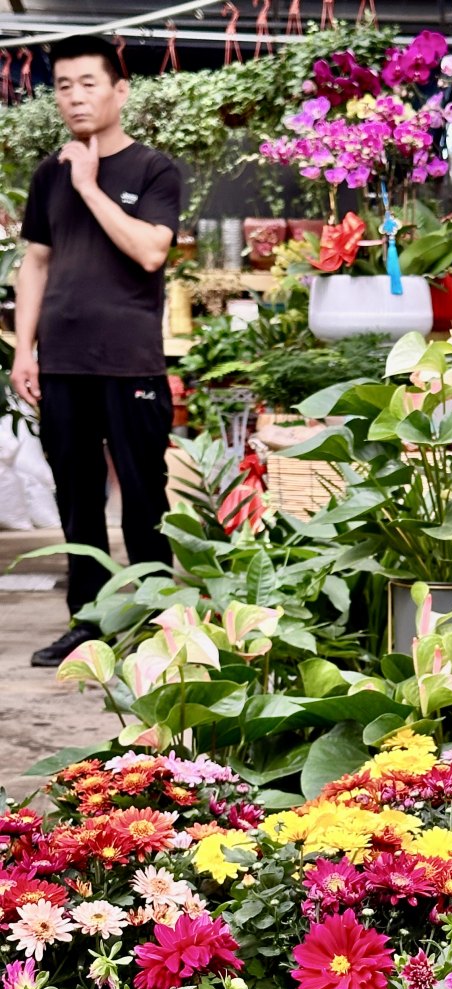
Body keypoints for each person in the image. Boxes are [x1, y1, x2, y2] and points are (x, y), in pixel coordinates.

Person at [12, 34, 182, 667]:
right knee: (76, 498)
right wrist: (24, 349)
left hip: (129, 363)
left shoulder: (153, 170)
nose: (75, 96)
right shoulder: (47, 175)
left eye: (88, 83)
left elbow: (151, 250)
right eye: (63, 86)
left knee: (144, 498)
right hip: (61, 364)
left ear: (120, 90)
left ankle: (160, 628)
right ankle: (88, 624)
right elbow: (35, 264)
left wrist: (89, 185)